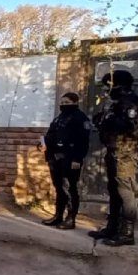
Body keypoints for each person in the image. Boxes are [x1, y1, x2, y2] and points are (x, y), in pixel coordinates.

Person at [89, 70, 138, 246]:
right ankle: (112, 228)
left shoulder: (131, 102)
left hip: (126, 152)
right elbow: (101, 120)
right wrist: (102, 119)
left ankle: (127, 233)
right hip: (114, 150)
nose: (106, 89)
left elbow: (128, 125)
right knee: (114, 191)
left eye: (108, 85)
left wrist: (107, 120)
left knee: (125, 192)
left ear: (118, 85)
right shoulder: (115, 102)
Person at [39, 92, 91, 230]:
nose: (63, 105)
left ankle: (70, 219)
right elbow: (50, 135)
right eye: (62, 103)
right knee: (59, 188)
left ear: (75, 103)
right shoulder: (59, 118)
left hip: (70, 159)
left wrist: (77, 159)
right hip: (55, 158)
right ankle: (58, 216)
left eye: (67, 102)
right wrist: (42, 144)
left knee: (69, 189)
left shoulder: (80, 118)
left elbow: (83, 141)